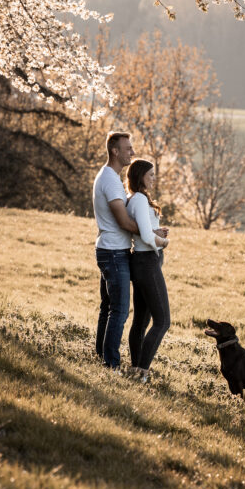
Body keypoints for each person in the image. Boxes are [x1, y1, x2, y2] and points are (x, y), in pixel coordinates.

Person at [93, 131, 138, 369]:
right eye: (128, 148)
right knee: (119, 311)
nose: (132, 151)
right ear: (115, 151)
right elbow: (123, 221)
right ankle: (111, 364)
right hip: (113, 253)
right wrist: (149, 234)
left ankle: (101, 355)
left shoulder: (110, 177)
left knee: (108, 308)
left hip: (108, 249)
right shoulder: (110, 179)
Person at [126, 158, 171, 382]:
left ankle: (135, 367)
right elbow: (145, 237)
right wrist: (163, 242)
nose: (154, 178)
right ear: (140, 175)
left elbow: (145, 230)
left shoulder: (135, 199)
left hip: (142, 262)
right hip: (147, 262)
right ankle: (142, 370)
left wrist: (156, 231)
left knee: (141, 321)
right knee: (163, 321)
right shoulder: (140, 200)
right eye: (151, 174)